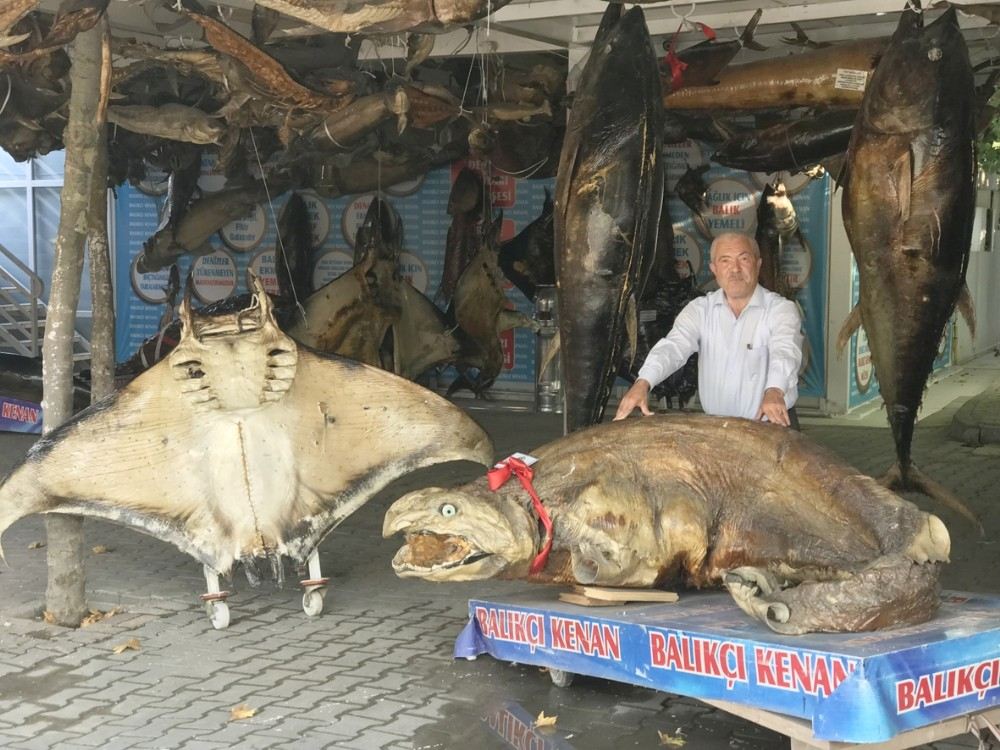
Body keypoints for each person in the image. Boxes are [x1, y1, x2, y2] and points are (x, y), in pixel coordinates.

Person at [614, 232, 803, 427]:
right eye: (725, 261)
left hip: (771, 425)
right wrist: (643, 382)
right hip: (716, 430)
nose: (735, 269)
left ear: (758, 264)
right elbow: (673, 347)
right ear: (714, 268)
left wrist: (775, 390)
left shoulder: (781, 309)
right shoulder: (700, 309)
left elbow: (785, 352)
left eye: (744, 259)